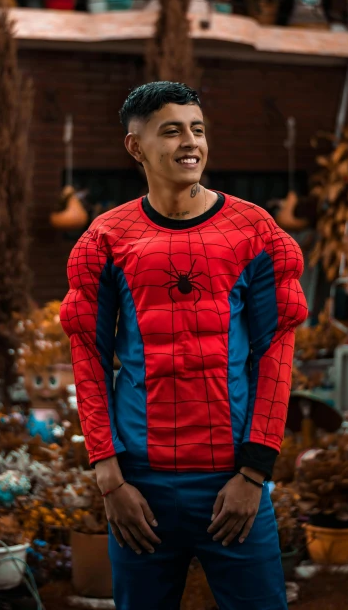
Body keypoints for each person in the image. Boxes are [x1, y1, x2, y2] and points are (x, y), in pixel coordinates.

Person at [60, 81, 308, 610]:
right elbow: (89, 356)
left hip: (234, 482)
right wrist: (109, 477)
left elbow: (277, 354)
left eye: (197, 129)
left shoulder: (255, 231)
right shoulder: (105, 239)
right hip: (139, 488)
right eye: (171, 131)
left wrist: (254, 473)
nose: (189, 142)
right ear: (136, 147)